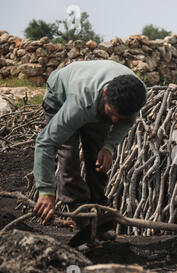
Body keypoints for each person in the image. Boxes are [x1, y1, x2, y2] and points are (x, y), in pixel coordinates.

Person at [33, 60, 147, 239]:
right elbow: (45, 143)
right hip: (60, 97)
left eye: (119, 117)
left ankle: (99, 212)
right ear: (104, 94)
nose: (115, 121)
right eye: (112, 115)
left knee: (97, 158)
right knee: (69, 157)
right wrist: (46, 190)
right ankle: (81, 219)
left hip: (94, 103)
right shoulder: (80, 104)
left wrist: (109, 146)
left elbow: (126, 121)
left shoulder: (136, 96)